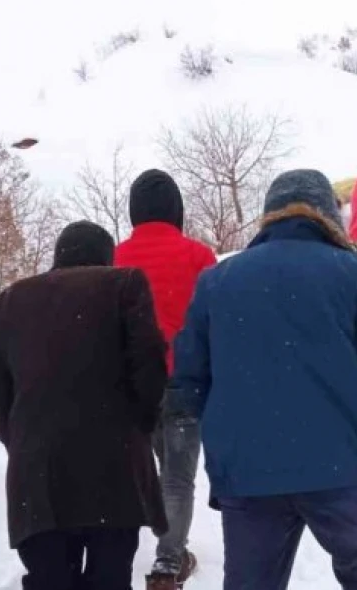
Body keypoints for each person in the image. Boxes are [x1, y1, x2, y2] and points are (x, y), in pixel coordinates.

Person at [171, 168, 357, 590]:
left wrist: (236, 424)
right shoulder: (353, 274)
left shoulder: (217, 282)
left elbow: (187, 384)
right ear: (329, 217)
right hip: (339, 470)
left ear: (269, 216)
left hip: (248, 474)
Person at [0, 220, 169, 590]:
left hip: (37, 479)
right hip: (113, 471)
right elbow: (150, 369)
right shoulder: (125, 284)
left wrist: (26, 443)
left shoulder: (7, 303)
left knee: (49, 580)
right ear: (105, 257)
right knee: (109, 579)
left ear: (57, 257)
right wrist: (138, 428)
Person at [113, 168, 217, 590]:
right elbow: (217, 321)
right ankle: (168, 563)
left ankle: (161, 548)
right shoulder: (198, 256)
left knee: (154, 469)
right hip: (185, 382)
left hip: (133, 385)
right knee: (177, 475)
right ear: (177, 210)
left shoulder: (115, 258)